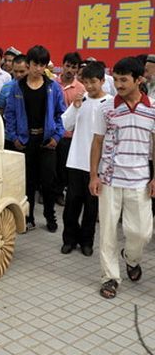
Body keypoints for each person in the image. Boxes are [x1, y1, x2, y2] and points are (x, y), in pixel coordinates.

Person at [89, 57, 155, 299]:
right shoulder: (105, 108)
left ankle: (131, 257)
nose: (118, 84)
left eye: (124, 80)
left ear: (139, 80)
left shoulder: (153, 109)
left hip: (140, 181)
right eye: (115, 79)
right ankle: (110, 277)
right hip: (109, 179)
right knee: (107, 232)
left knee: (141, 232)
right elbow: (97, 142)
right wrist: (94, 175)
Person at [5, 45, 66, 232]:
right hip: (24, 141)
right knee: (27, 182)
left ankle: (50, 216)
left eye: (42, 65)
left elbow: (61, 114)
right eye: (35, 64)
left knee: (48, 182)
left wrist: (56, 136)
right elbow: (10, 114)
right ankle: (28, 216)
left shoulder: (53, 87)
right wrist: (13, 137)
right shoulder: (17, 86)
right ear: (28, 63)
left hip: (47, 141)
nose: (38, 68)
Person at [60, 63, 110, 257]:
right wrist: (75, 106)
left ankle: (87, 241)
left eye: (93, 82)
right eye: (86, 82)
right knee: (72, 203)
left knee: (92, 206)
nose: (89, 86)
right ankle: (69, 240)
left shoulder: (111, 102)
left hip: (99, 165)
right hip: (76, 160)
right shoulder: (80, 100)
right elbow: (66, 123)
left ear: (103, 81)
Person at [55, 52, 86, 206]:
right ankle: (47, 191)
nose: (69, 70)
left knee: (63, 166)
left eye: (73, 67)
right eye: (67, 66)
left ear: (77, 69)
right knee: (51, 165)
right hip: (53, 132)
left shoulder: (81, 89)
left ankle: (59, 192)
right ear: (63, 65)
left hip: (68, 134)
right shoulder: (53, 83)